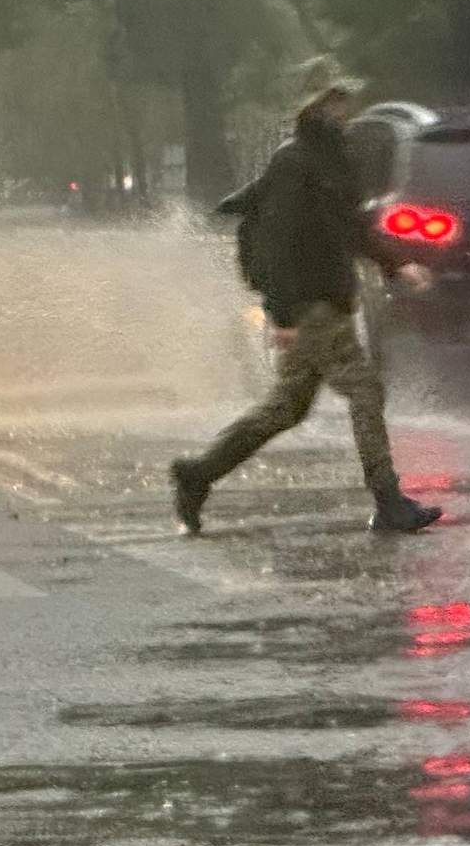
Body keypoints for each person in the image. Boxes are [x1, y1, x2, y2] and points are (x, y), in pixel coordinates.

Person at [170, 63, 444, 536]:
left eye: (344, 98)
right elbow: (278, 242)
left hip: (328, 297)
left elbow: (351, 228)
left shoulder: (330, 158)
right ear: (315, 105)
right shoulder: (295, 162)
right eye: (336, 100)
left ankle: (198, 474)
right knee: (364, 389)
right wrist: (282, 313)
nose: (345, 107)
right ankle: (388, 500)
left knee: (287, 407)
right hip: (311, 304)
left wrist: (398, 264)